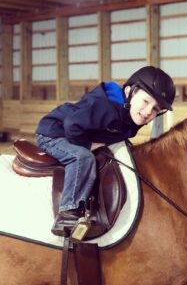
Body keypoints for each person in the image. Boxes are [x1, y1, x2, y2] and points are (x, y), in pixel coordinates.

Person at [35, 66, 175, 237]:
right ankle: (68, 213)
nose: (147, 112)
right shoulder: (106, 107)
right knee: (83, 158)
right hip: (54, 132)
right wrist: (87, 145)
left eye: (155, 109)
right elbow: (72, 125)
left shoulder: (130, 115)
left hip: (73, 129)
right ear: (129, 91)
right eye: (145, 102)